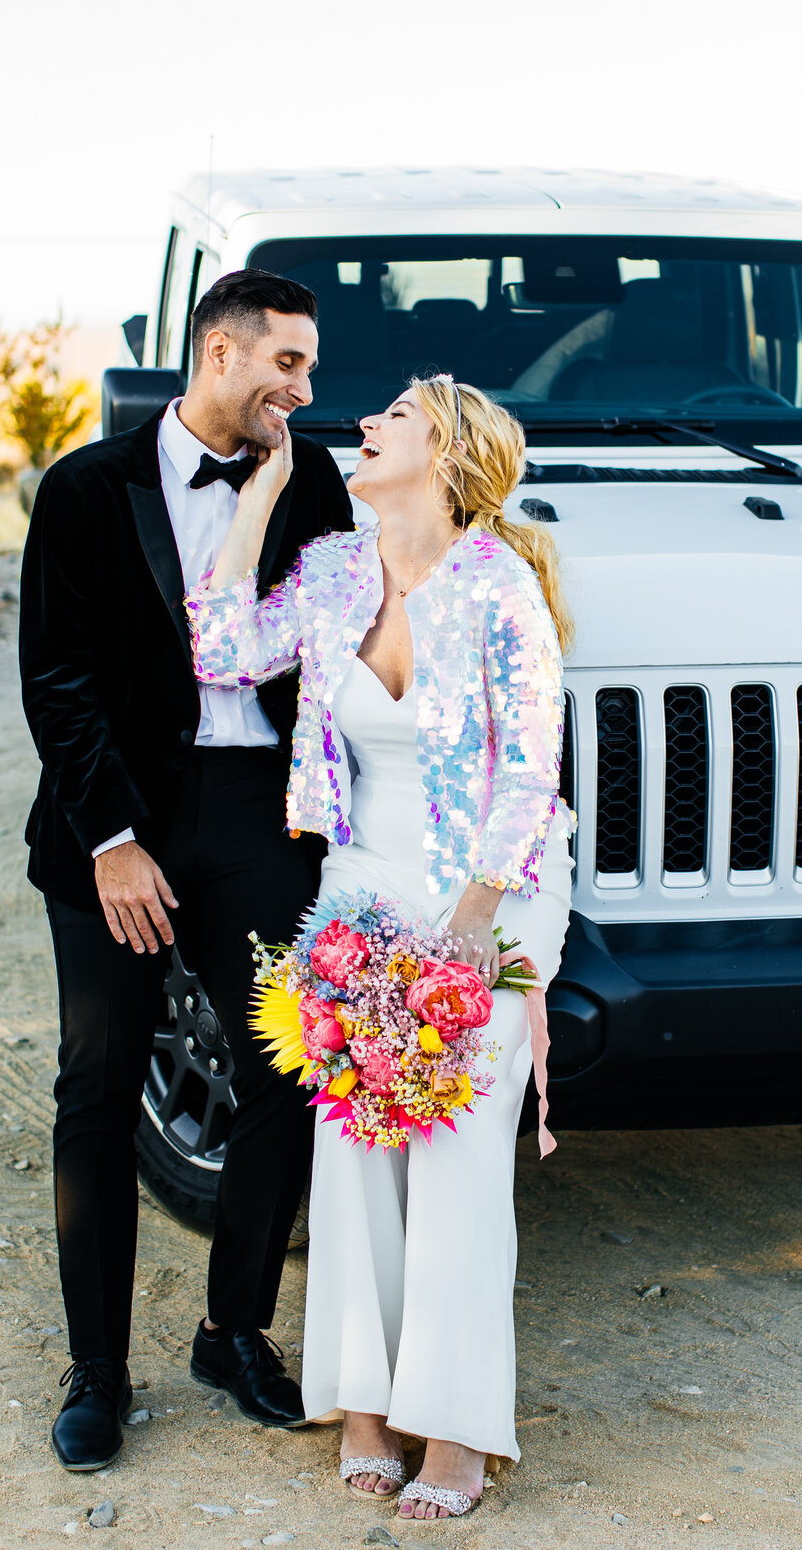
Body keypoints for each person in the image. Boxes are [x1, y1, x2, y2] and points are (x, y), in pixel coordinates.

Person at [185, 374, 574, 1522]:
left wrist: (465, 935)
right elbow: (220, 649)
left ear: (446, 455)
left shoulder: (503, 589)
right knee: (355, 1155)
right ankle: (363, 1410)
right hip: (360, 887)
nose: (362, 423)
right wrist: (254, 502)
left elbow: (532, 774)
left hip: (487, 893)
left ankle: (454, 1431)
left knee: (454, 1160)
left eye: (393, 416)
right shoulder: (337, 571)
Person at [18, 269, 353, 1472]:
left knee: (288, 1065)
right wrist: (111, 842)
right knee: (100, 1085)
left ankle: (234, 1329)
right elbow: (56, 679)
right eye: (289, 364)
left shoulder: (313, 482)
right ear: (221, 353)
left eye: (309, 368)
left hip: (264, 815)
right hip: (122, 821)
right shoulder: (86, 487)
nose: (304, 388)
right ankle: (98, 1370)